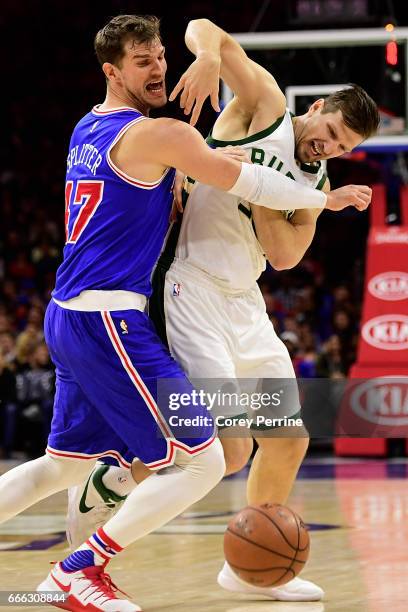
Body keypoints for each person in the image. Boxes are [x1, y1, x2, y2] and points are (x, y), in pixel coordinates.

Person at [0, 14, 371, 611]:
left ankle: (239, 564)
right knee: (211, 458)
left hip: (180, 305)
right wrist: (320, 201)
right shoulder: (240, 115)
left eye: (161, 59)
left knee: (279, 436)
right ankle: (81, 561)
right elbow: (235, 161)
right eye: (144, 60)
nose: (159, 69)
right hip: (167, 301)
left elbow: (282, 256)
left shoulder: (93, 129)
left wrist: (295, 198)